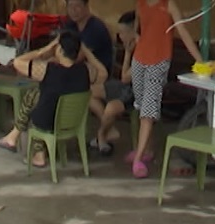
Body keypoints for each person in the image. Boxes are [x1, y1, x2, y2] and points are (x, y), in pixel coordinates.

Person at [0, 31, 96, 168]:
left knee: (36, 107)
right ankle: (13, 136)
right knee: (35, 94)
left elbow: (18, 62)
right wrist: (86, 51)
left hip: (47, 122)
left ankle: (37, 154)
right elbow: (103, 73)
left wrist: (44, 50)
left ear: (59, 49)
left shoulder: (49, 70)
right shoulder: (86, 71)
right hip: (72, 122)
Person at [124, 0, 201, 178]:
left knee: (148, 112)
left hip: (158, 62)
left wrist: (199, 60)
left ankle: (139, 158)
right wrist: (133, 43)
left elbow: (183, 33)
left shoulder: (169, 5)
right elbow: (139, 30)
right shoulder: (140, 4)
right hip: (139, 60)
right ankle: (146, 150)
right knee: (141, 106)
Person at [92, 11, 138, 156]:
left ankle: (101, 135)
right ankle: (109, 130)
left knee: (111, 108)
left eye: (123, 33)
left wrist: (128, 54)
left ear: (134, 32)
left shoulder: (142, 50)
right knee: (86, 92)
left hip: (134, 92)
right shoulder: (131, 46)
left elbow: (125, 77)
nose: (120, 36)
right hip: (123, 86)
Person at [63, 0, 113, 83]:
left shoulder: (95, 28)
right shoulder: (71, 24)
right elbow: (59, 44)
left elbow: (78, 58)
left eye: (77, 6)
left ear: (86, 6)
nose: (73, 10)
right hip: (77, 68)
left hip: (97, 75)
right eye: (70, 6)